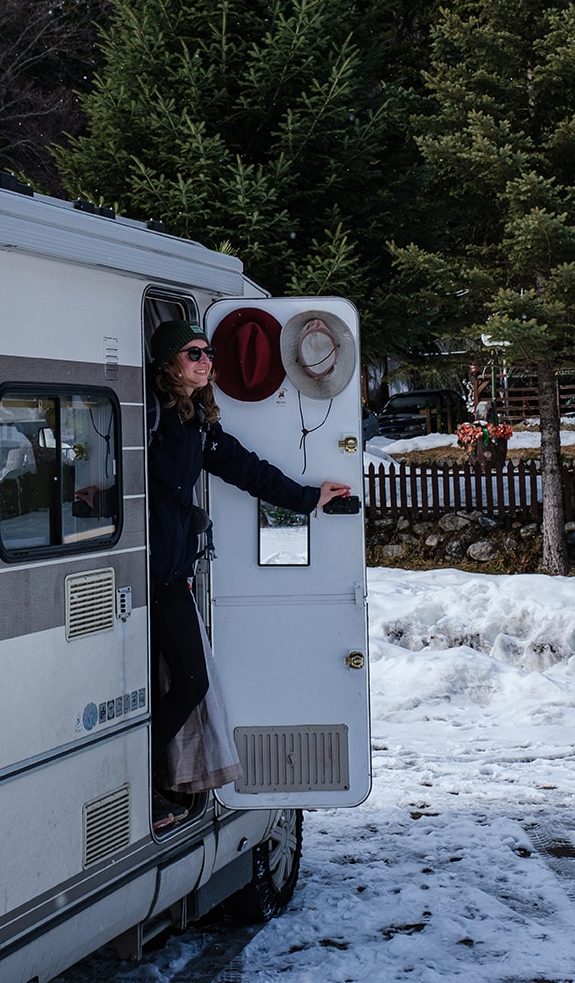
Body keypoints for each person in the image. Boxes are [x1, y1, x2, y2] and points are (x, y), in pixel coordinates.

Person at [147, 319, 351, 829]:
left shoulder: (195, 421)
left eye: (209, 352)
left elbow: (245, 467)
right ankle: (143, 776)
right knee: (188, 680)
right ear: (169, 362)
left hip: (170, 575)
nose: (205, 361)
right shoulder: (149, 419)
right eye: (194, 353)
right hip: (143, 574)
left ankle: (147, 777)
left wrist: (307, 499)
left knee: (185, 680)